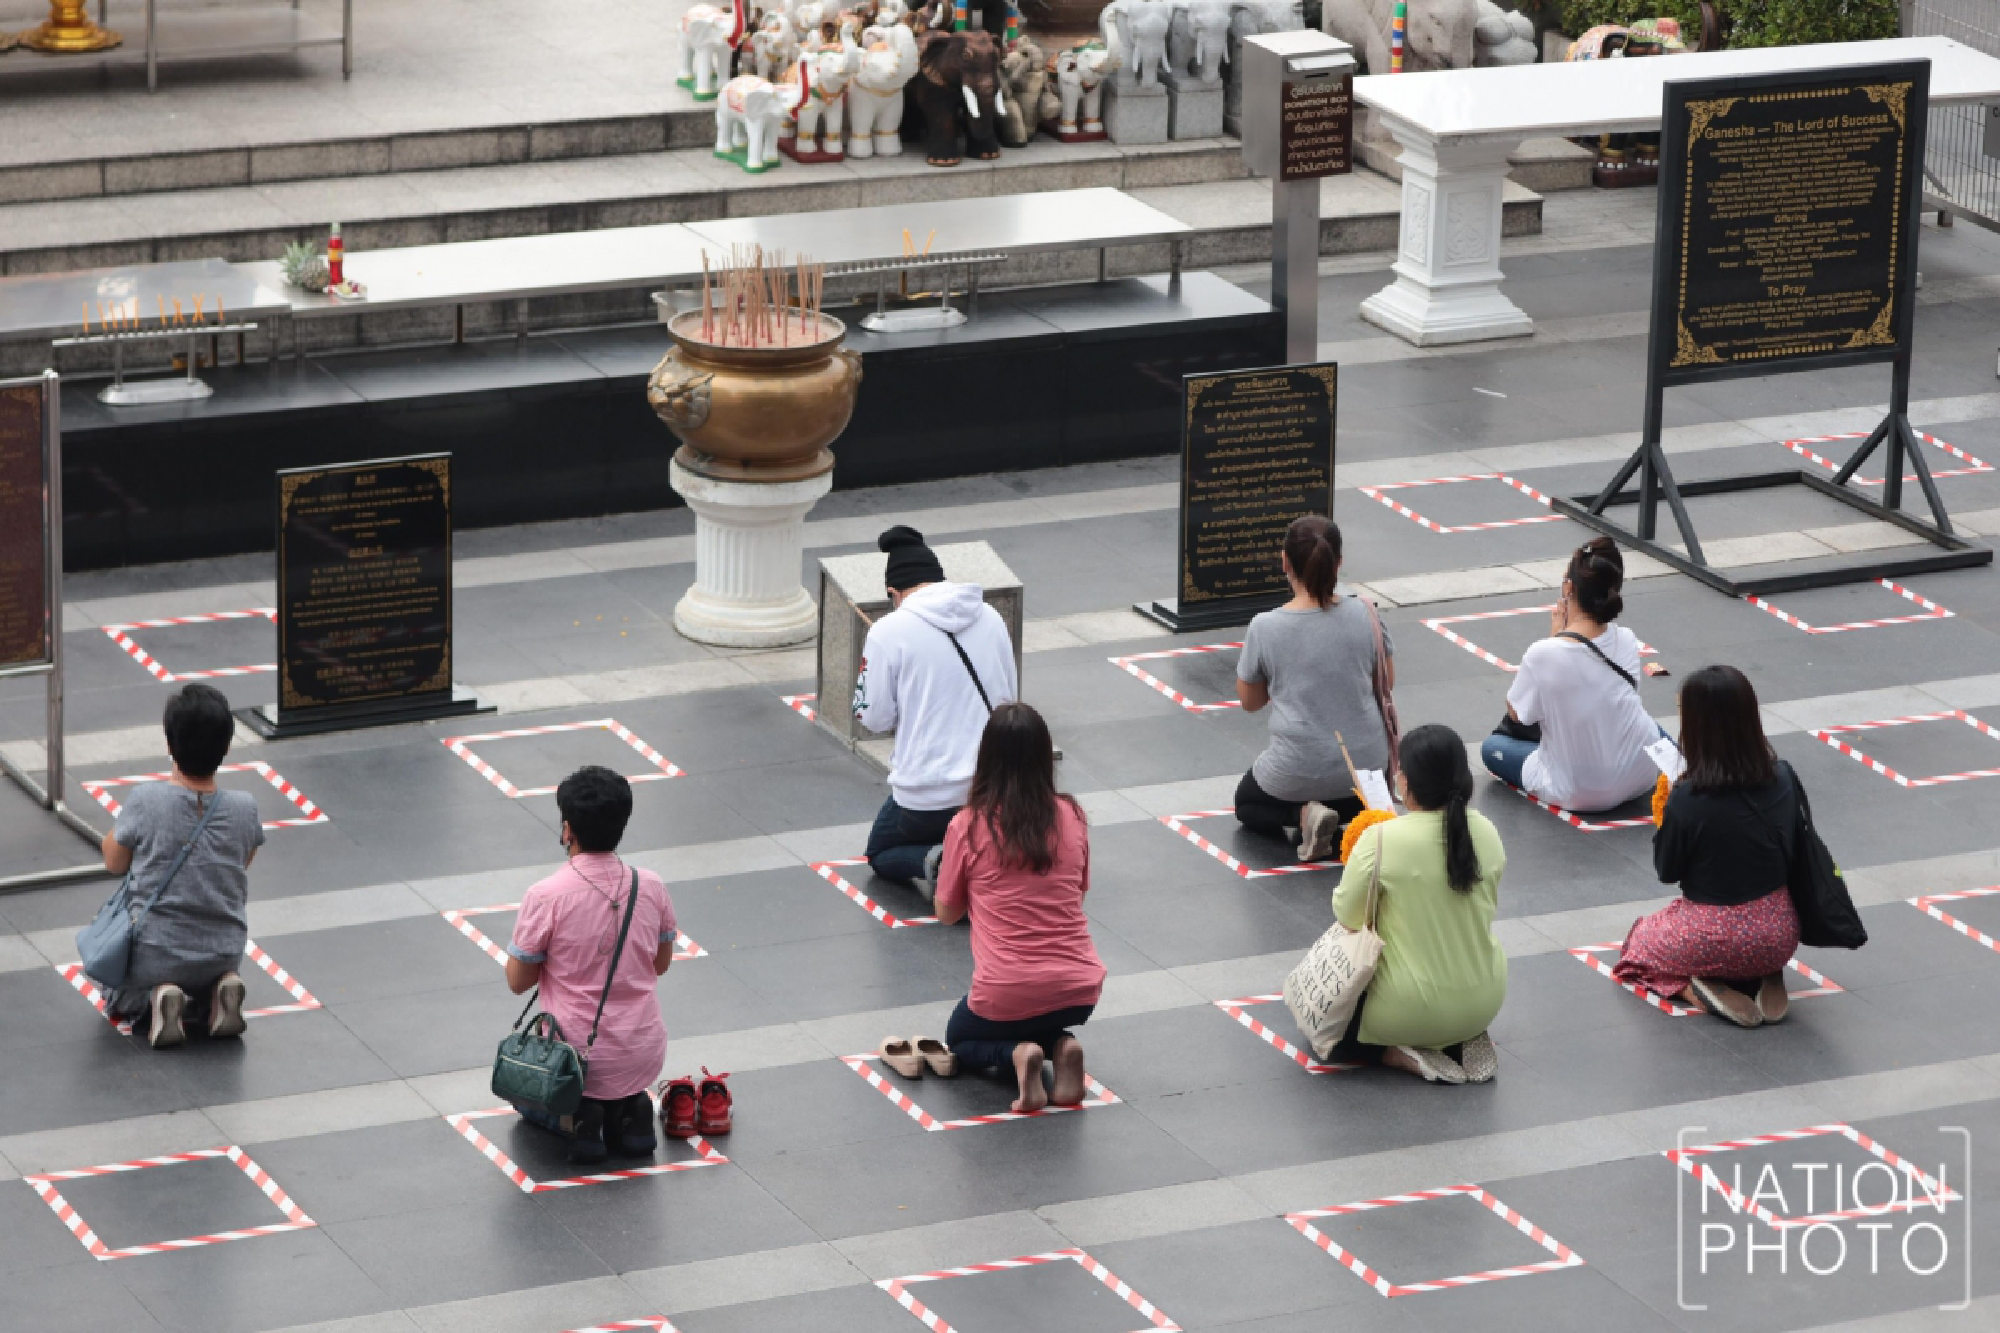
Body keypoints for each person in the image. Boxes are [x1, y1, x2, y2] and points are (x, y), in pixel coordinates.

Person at [934, 702, 1105, 1114]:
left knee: (960, 1037)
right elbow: (1078, 894)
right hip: (1078, 988)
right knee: (1043, 1013)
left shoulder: (969, 825)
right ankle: (1061, 1046)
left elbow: (946, 912)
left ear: (986, 758)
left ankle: (1019, 1054)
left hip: (1004, 990)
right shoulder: (1072, 814)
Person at [506, 766, 680, 1164]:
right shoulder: (650, 886)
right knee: (621, 1085)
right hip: (643, 1052)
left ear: (568, 829)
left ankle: (583, 1120)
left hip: (573, 1061)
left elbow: (518, 981)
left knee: (524, 1099)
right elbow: (661, 963)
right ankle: (629, 1112)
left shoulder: (546, 895)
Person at [1614, 665, 1801, 1028]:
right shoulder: (1783, 776)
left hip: (1711, 936)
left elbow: (1667, 871)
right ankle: (1763, 973)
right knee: (1754, 943)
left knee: (1639, 943)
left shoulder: (1688, 797)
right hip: (1781, 929)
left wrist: (1665, 812)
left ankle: (1696, 990)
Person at [1328, 725, 1507, 1084]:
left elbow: (1347, 917)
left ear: (1406, 783)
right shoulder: (1486, 831)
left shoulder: (1382, 839)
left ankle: (1400, 1052)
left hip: (1409, 1010)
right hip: (1485, 998)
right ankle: (1461, 1036)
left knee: (1330, 1032)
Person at [98, 683, 265, 1049]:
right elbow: (241, 863)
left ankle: (158, 997)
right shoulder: (245, 808)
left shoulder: (146, 799)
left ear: (170, 744)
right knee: (212, 968)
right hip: (224, 950)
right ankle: (219, 990)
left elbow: (114, 861)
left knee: (115, 991)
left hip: (157, 952)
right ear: (226, 746)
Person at [855, 525, 1018, 895]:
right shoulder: (990, 616)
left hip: (928, 793)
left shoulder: (888, 630)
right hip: (995, 786)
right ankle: (986, 851)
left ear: (893, 593)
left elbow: (874, 717)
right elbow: (1010, 698)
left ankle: (943, 859)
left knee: (881, 852)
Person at [1235, 515, 1394, 862]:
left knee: (1246, 802)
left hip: (1297, 771)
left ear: (1284, 562)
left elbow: (1250, 701)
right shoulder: (1366, 612)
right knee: (1351, 794)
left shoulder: (1265, 626)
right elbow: (1387, 681)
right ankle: (1358, 815)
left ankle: (1305, 815)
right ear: (1338, 563)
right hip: (1365, 765)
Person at [1481, 537, 1660, 812]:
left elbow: (1518, 714)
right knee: (1645, 722)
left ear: (1568, 588)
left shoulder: (1543, 654)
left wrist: (1555, 639)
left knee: (1492, 747)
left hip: (1578, 791)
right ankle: (1677, 764)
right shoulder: (1626, 639)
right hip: (1640, 776)